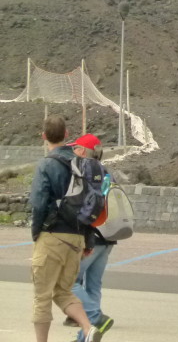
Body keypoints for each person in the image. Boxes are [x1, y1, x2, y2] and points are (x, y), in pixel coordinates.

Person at [29, 115, 105, 342]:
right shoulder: (82, 162)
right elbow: (89, 202)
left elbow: (38, 202)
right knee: (63, 291)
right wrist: (88, 240)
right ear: (67, 134)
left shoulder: (46, 164)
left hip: (51, 236)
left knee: (42, 297)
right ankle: (87, 327)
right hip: (77, 237)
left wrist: (36, 233)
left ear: (44, 136)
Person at [66, 135, 116, 339]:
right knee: (94, 283)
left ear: (82, 151)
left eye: (75, 148)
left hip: (93, 236)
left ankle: (94, 318)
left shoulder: (86, 168)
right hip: (109, 234)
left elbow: (84, 201)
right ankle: (86, 333)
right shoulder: (107, 172)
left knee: (69, 280)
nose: (72, 151)